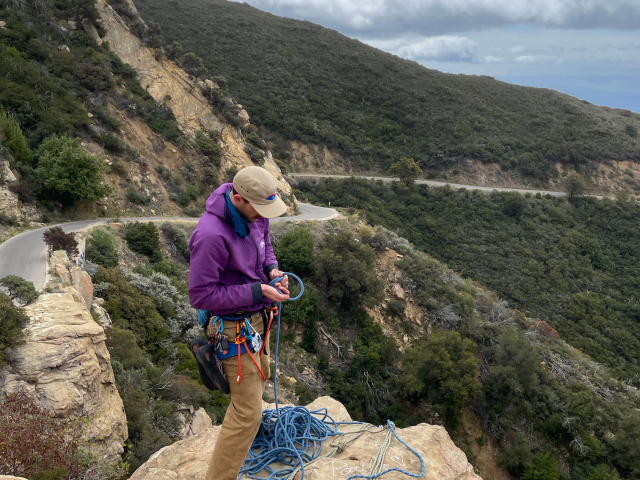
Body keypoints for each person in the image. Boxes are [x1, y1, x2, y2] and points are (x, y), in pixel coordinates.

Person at [188, 166, 290, 480]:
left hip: (258, 320)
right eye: (258, 211)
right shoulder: (211, 235)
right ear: (237, 198)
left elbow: (265, 243)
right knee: (246, 415)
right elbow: (201, 295)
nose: (263, 216)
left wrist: (271, 269)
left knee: (255, 395)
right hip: (234, 329)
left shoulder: (255, 212)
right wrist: (257, 290)